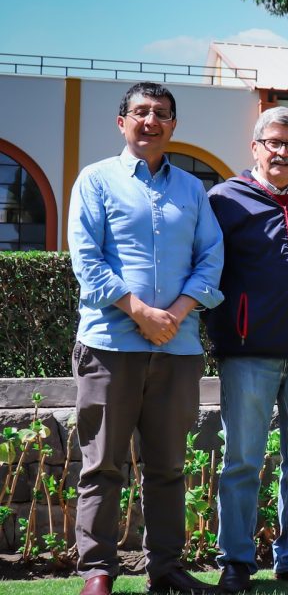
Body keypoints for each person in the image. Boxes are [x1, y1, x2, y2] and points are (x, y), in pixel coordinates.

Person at [67, 82, 224, 595]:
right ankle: (97, 570)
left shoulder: (193, 190)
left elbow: (211, 258)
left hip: (176, 349)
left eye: (161, 113)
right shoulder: (95, 181)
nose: (150, 121)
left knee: (168, 467)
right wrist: (138, 310)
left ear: (173, 125)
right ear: (122, 122)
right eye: (140, 112)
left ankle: (167, 570)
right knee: (103, 465)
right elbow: (87, 260)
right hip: (110, 346)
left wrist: (175, 313)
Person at [206, 107, 288, 592]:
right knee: (242, 459)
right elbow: (205, 271)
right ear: (256, 146)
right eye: (274, 143)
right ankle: (236, 560)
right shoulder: (223, 201)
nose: (282, 152)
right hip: (247, 353)